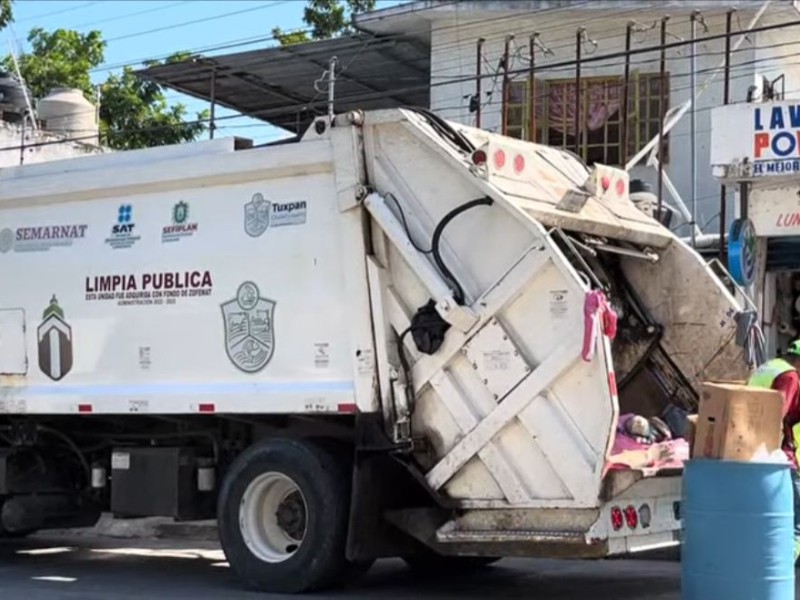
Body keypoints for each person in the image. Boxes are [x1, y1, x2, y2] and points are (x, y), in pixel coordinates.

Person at [748, 340, 800, 562]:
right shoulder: (790, 377)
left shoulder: (769, 367)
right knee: (796, 513)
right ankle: (788, 560)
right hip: (779, 455)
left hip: (752, 448)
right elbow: (778, 413)